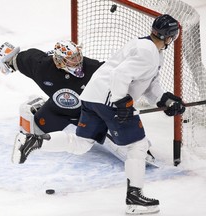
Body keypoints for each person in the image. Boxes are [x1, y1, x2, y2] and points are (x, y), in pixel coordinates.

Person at [12, 14, 185, 215]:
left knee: (81, 143)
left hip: (93, 96)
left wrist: (165, 99)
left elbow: (148, 85)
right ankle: (135, 198)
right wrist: (120, 101)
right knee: (138, 145)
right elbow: (121, 76)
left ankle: (33, 141)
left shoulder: (145, 48)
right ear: (170, 37)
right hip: (110, 98)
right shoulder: (149, 54)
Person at [0, 40, 156, 164]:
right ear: (59, 61)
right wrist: (7, 59)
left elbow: (120, 78)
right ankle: (37, 107)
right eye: (71, 59)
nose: (77, 61)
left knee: (119, 146)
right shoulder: (41, 66)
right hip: (56, 111)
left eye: (78, 56)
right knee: (39, 130)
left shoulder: (95, 69)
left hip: (87, 113)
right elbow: (18, 58)